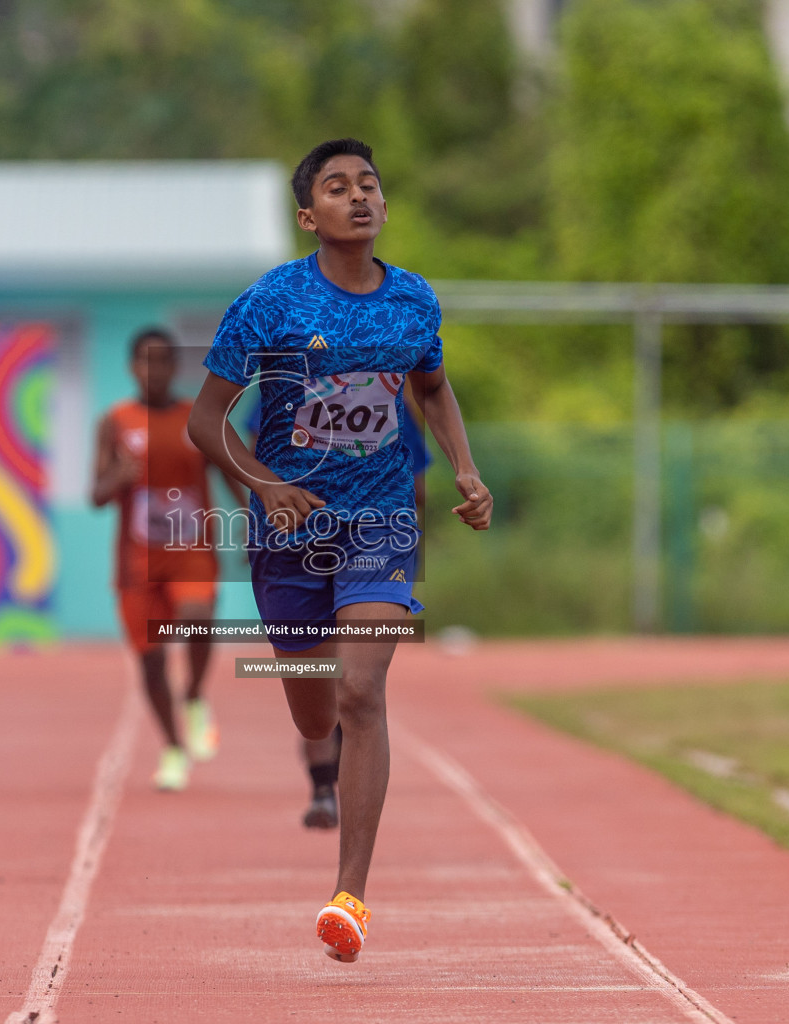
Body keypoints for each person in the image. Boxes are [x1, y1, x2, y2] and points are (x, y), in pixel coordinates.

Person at [187, 138, 491, 962]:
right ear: (307, 215)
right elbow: (204, 420)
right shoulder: (271, 303)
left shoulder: (414, 302)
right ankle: (317, 750)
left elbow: (430, 384)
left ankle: (349, 896)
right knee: (317, 705)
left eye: (368, 185)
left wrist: (464, 468)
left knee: (361, 692)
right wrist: (264, 486)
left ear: (384, 207)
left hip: (380, 522)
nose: (356, 197)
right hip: (293, 532)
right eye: (336, 187)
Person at [92, 327, 245, 791]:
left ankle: (195, 695)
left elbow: (233, 469)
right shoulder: (115, 421)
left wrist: (255, 518)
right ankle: (173, 748)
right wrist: (118, 475)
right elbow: (96, 495)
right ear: (132, 367)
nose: (155, 370)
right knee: (151, 660)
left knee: (198, 618)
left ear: (175, 367)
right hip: (138, 559)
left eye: (164, 361)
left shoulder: (196, 417)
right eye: (146, 361)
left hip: (191, 548)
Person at [300, 402, 430, 831]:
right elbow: (250, 444)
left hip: (376, 539)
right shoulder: (294, 377)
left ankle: (328, 788)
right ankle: (322, 779)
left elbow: (419, 480)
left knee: (357, 682)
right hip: (302, 539)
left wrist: (406, 557)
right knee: (319, 680)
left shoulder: (394, 398)